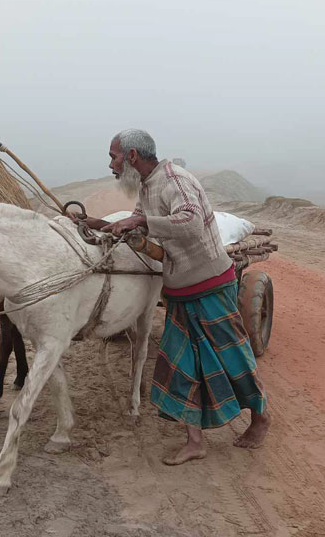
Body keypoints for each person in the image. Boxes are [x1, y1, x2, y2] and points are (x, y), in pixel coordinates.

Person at [82, 129, 270, 465]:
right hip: (179, 289)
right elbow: (147, 228)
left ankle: (261, 417)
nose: (110, 163)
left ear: (132, 156)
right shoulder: (147, 185)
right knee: (183, 365)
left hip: (210, 283)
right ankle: (194, 441)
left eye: (114, 156)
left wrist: (140, 220)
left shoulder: (174, 180)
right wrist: (103, 224)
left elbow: (190, 223)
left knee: (233, 356)